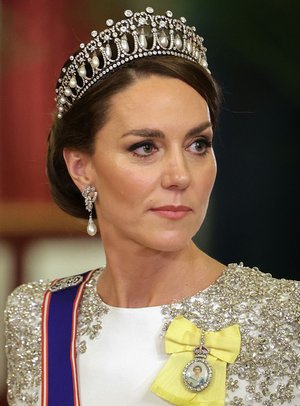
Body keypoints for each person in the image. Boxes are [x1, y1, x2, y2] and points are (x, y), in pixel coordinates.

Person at [4, 7, 299, 406]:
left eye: (199, 145)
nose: (180, 175)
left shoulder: (283, 318)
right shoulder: (37, 316)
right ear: (81, 168)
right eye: (145, 148)